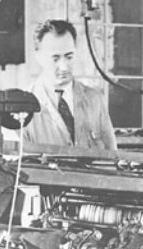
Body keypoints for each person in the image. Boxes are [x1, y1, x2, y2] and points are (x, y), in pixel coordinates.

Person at [22, 19, 116, 151]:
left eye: (69, 57)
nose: (64, 66)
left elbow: (112, 155)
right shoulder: (23, 106)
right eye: (55, 58)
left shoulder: (94, 100)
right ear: (38, 56)